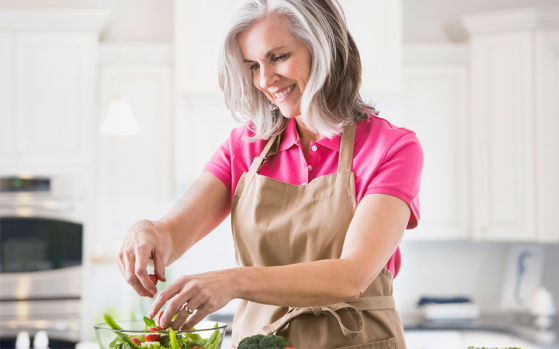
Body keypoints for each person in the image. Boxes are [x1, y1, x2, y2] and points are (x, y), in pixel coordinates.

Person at [117, 0, 423, 348]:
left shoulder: (392, 147)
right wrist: (148, 232)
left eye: (278, 57)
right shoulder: (244, 146)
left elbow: (352, 275)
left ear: (324, 49)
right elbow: (172, 234)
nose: (264, 80)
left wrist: (233, 282)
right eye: (252, 65)